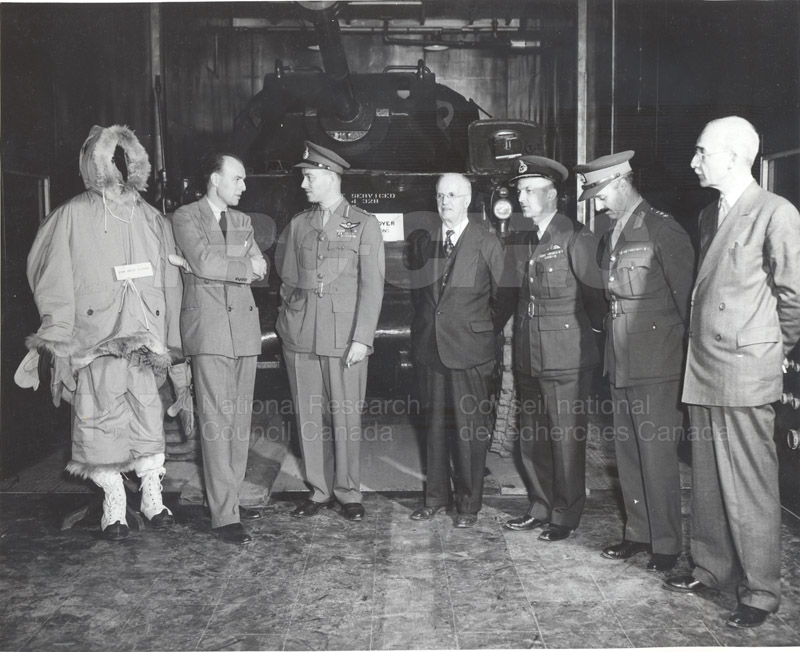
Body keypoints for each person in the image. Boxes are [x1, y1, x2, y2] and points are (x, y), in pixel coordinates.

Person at [665, 116, 800, 628]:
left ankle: (761, 592)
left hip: (744, 368)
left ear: (733, 155)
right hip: (703, 365)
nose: (694, 162)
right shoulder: (708, 215)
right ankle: (710, 568)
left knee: (750, 485)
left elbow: (795, 296)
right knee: (705, 481)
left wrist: (768, 346)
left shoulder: (776, 212)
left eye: (701, 152)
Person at [24, 124, 183, 541]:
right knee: (98, 420)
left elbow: (169, 278)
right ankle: (114, 501)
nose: (118, 167)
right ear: (94, 163)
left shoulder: (150, 216)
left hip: (145, 338)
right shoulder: (71, 215)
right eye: (109, 159)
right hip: (95, 338)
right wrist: (58, 334)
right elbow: (50, 274)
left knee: (147, 415)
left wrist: (170, 336)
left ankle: (151, 494)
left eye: (125, 159)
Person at [574, 151, 694, 571]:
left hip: (658, 364)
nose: (598, 203)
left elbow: (687, 305)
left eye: (601, 193)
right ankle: (638, 533)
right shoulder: (611, 235)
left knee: (657, 454)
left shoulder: (663, 229)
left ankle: (665, 543)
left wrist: (688, 369)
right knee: (626, 451)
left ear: (623, 183)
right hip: (620, 359)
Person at [275, 141, 384, 522]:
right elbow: (287, 279)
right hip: (301, 335)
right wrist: (289, 322)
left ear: (331, 177)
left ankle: (348, 491)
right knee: (308, 416)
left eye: (310, 176)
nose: (304, 184)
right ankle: (319, 490)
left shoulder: (364, 224)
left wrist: (362, 337)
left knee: (346, 416)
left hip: (344, 338)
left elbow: (373, 286)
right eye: (304, 177)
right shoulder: (299, 224)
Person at [500, 156, 606, 542]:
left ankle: (565, 514)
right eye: (518, 191)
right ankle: (540, 505)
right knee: (532, 437)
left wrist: (585, 345)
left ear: (553, 194)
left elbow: (597, 300)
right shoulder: (525, 237)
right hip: (530, 353)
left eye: (529, 191)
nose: (521, 198)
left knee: (566, 439)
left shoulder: (576, 236)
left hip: (566, 355)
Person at [171, 153, 268, 545]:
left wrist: (209, 266)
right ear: (215, 179)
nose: (244, 187)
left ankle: (232, 497)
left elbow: (262, 265)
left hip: (244, 330)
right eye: (238, 179)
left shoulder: (243, 221)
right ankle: (224, 515)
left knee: (240, 422)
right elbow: (208, 263)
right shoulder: (186, 216)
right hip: (209, 331)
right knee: (216, 422)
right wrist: (237, 265)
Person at [406, 173, 506, 528]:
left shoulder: (487, 241)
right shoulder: (425, 240)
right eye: (439, 195)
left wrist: (478, 329)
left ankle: (468, 506)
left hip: (469, 349)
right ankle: (434, 498)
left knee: (468, 430)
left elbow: (503, 297)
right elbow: (420, 297)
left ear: (467, 200)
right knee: (433, 426)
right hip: (430, 349)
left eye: (452, 195)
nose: (444, 201)